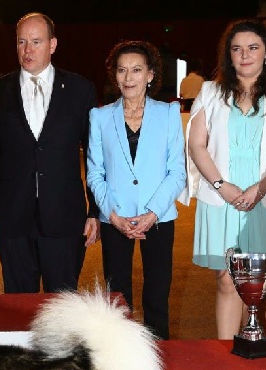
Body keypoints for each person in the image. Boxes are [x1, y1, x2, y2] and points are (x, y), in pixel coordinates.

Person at [182, 19, 266, 340]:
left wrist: (259, 187)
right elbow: (196, 144)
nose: (245, 55)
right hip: (222, 199)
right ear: (228, 55)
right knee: (226, 280)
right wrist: (223, 187)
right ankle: (227, 360)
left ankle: (254, 355)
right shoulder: (209, 93)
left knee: (260, 288)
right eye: (237, 49)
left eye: (253, 48)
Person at [0, 12, 100, 293]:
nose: (27, 50)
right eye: (21, 42)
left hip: (65, 218)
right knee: (18, 307)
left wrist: (94, 211)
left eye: (36, 41)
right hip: (12, 218)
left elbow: (95, 156)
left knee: (62, 308)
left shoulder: (80, 90)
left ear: (53, 45)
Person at [87, 40, 186, 340]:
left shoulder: (169, 114)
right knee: (117, 299)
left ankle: (160, 358)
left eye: (136, 70)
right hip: (115, 217)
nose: (128, 78)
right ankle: (119, 357)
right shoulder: (100, 116)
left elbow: (177, 171)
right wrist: (112, 214)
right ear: (114, 75)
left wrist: (153, 212)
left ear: (151, 75)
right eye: (122, 70)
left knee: (157, 297)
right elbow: (94, 171)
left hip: (158, 217)